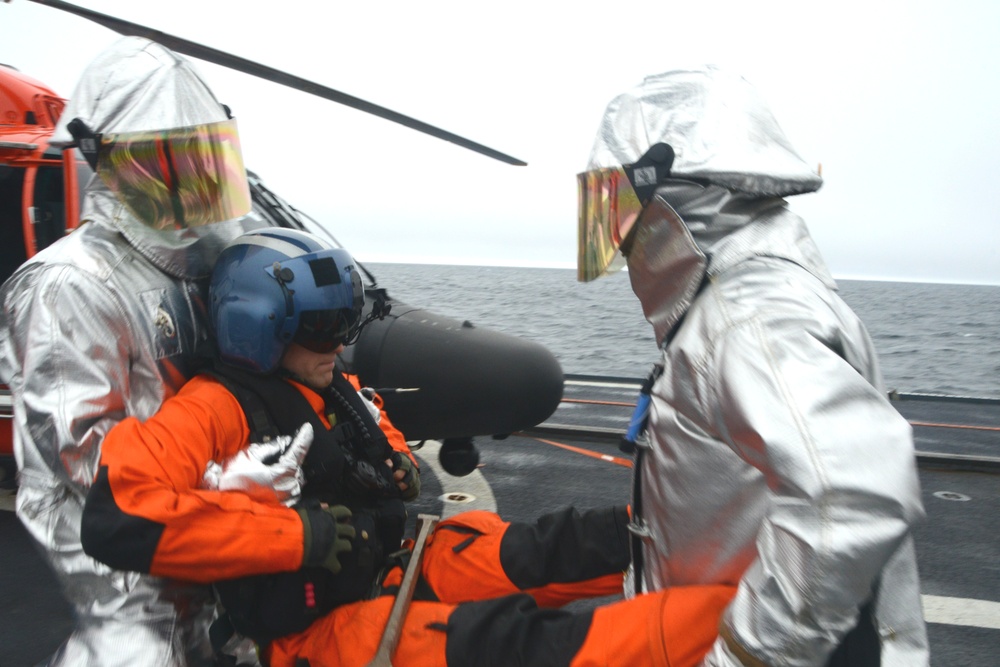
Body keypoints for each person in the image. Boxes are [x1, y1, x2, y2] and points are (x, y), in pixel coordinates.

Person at [82, 227, 643, 666]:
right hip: (318, 630)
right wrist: (298, 537)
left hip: (395, 564)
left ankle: (701, 555)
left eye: (346, 323)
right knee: (530, 649)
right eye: (323, 327)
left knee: (564, 547)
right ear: (259, 326)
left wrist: (399, 463)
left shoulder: (328, 383)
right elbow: (119, 515)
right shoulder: (213, 407)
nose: (340, 343)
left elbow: (373, 428)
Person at [577, 65, 929, 666]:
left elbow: (850, 496)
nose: (610, 225)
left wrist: (744, 657)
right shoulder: (732, 299)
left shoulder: (751, 315)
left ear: (669, 194)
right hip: (696, 624)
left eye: (617, 198)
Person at [0, 37, 269, 665]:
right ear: (112, 163)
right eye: (171, 163)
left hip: (206, 540)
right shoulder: (70, 284)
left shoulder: (196, 264)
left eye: (204, 160)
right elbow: (92, 468)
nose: (193, 181)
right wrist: (237, 487)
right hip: (128, 563)